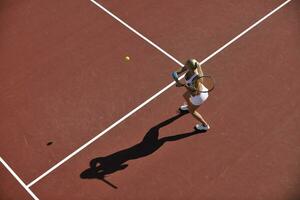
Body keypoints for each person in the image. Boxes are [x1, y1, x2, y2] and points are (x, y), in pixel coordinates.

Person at [173, 59, 210, 131]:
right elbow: (175, 73)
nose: (184, 65)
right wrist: (177, 80)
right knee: (185, 96)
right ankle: (188, 106)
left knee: (192, 111)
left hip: (199, 96)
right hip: (197, 91)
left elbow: (195, 93)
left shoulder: (196, 79)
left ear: (190, 67)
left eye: (186, 64)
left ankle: (205, 125)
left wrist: (183, 85)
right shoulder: (192, 68)